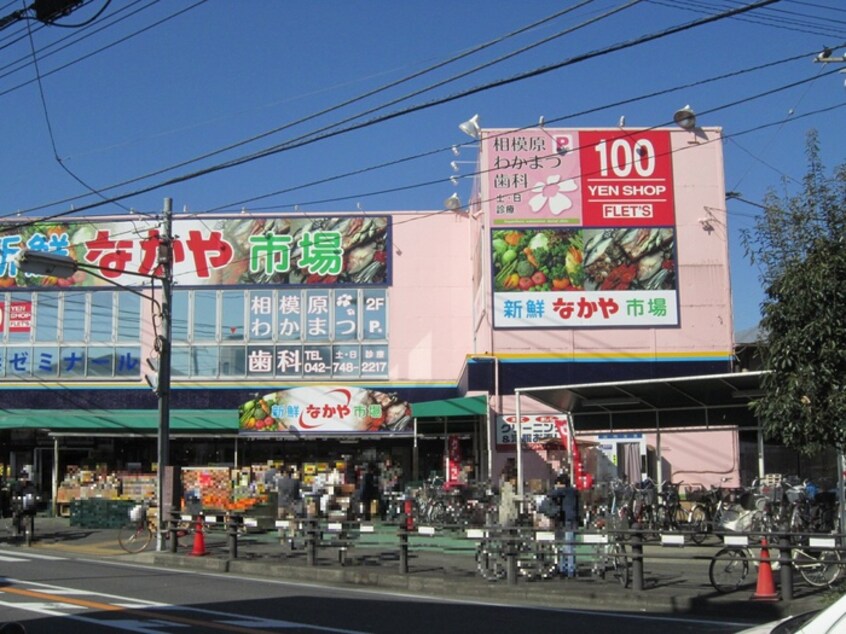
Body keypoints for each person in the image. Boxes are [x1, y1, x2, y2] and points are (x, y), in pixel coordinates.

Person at [546, 473, 580, 577]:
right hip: (574, 520)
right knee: (567, 546)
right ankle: (565, 568)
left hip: (568, 520)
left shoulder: (565, 490)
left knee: (567, 546)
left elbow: (550, 494)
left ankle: (569, 570)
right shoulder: (574, 491)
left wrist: (556, 489)